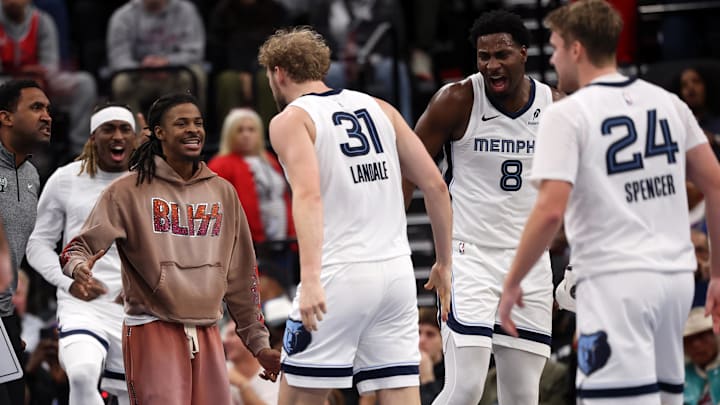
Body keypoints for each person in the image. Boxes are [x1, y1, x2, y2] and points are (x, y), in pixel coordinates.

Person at [498, 1, 720, 404]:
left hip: (616, 282)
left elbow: (549, 210)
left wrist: (512, 282)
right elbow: (716, 183)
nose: (553, 56)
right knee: (666, 398)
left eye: (556, 47)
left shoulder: (566, 114)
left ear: (577, 49)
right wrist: (718, 275)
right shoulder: (667, 102)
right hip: (674, 282)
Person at [257, 27, 453, 405]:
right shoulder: (380, 108)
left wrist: (310, 278)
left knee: (299, 398)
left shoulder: (290, 120)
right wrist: (443, 262)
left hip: (339, 274)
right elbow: (435, 185)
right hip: (396, 275)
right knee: (399, 395)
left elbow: (309, 195)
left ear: (278, 72)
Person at [58, 93, 280, 404]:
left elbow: (243, 275)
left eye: (198, 123)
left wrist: (258, 344)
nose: (193, 130)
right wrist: (78, 267)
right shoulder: (127, 191)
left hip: (208, 329)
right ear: (158, 132)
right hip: (152, 327)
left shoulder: (223, 191)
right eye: (182, 123)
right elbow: (78, 247)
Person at [401, 10, 562, 405]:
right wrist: (388, 235)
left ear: (524, 53)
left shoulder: (556, 107)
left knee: (524, 396)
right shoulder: (456, 100)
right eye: (483, 56)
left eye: (502, 54)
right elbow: (409, 170)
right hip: (468, 256)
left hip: (529, 263)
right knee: (466, 389)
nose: (491, 65)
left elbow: (578, 187)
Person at [25, 103, 138, 405]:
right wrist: (69, 283)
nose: (117, 136)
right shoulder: (65, 179)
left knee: (135, 394)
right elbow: (37, 244)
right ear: (92, 138)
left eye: (125, 129)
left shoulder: (150, 181)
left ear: (135, 138)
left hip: (138, 307)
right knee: (83, 373)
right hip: (82, 304)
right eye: (108, 129)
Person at [0, 79, 51, 405]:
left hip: (5, 315)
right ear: (6, 117)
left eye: (48, 109)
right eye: (36, 108)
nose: (47, 116)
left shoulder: (32, 175)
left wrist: (10, 326)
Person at [0, 0, 97, 159]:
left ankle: (78, 150)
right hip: (6, 83)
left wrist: (38, 76)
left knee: (84, 84)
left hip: (41, 82)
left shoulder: (42, 21)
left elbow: (50, 65)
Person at [208, 108, 295, 246]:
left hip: (282, 238)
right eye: (240, 130)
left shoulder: (270, 160)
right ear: (229, 134)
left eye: (251, 129)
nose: (246, 135)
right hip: (247, 242)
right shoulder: (220, 165)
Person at [107, 0, 206, 119]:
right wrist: (143, 68)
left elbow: (194, 51)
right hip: (140, 77)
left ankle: (185, 130)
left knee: (194, 74)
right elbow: (118, 58)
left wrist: (167, 63)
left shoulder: (186, 11)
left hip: (174, 74)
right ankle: (135, 134)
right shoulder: (123, 16)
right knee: (121, 82)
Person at [223, 320, 279, 405]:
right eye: (226, 336)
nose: (226, 341)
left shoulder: (273, 373)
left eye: (232, 334)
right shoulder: (219, 372)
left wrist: (242, 385)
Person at [683, 306, 720, 405]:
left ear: (715, 335)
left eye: (702, 336)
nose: (696, 345)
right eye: (689, 339)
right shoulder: (680, 378)